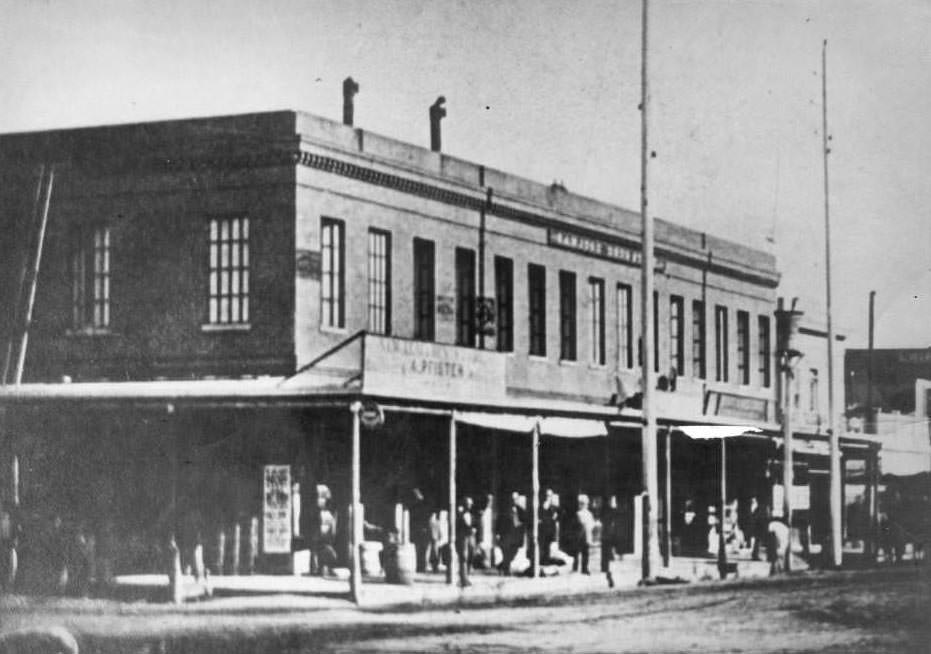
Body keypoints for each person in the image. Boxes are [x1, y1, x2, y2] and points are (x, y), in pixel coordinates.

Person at [456, 496, 476, 587]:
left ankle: (466, 576)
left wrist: (474, 530)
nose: (469, 506)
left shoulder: (472, 516)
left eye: (470, 504)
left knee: (471, 556)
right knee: (463, 557)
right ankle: (463, 579)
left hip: (471, 538)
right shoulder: (459, 515)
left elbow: (475, 525)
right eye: (467, 504)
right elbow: (457, 528)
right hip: (463, 538)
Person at [601, 495, 621, 587]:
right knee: (608, 551)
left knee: (606, 551)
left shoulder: (606, 510)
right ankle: (608, 569)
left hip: (607, 534)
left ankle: (606, 568)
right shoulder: (611, 511)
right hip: (609, 534)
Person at [573, 494, 595, 575]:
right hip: (580, 535)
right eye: (581, 503)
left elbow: (592, 523)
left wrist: (589, 527)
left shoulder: (589, 514)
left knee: (586, 553)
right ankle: (576, 567)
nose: (583, 505)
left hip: (587, 534)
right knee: (578, 552)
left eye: (584, 503)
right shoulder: (578, 513)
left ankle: (584, 568)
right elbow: (580, 523)